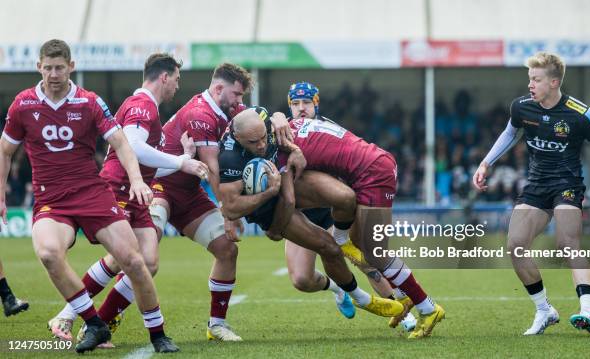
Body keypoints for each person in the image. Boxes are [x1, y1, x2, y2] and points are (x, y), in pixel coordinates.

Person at [0, 39, 178, 353]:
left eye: (60, 67)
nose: (54, 74)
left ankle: (159, 335)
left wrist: (137, 180)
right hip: (50, 200)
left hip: (92, 193)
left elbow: (122, 143)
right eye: (48, 67)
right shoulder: (23, 104)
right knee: (48, 254)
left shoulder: (89, 101)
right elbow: (5, 151)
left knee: (135, 262)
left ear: (71, 67)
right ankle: (95, 324)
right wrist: (1, 194)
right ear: (38, 67)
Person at [47, 53, 206, 347]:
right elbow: (132, 148)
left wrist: (182, 159)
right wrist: (181, 163)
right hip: (119, 188)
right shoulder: (142, 105)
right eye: (177, 80)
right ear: (164, 77)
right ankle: (70, 317)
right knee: (126, 259)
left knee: (147, 262)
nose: (177, 87)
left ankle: (88, 322)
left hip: (136, 190)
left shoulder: (146, 108)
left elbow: (147, 162)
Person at [274, 105, 444, 339]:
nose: (300, 107)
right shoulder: (293, 126)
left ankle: (428, 308)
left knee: (375, 252)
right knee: (361, 246)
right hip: (369, 169)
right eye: (295, 102)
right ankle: (405, 298)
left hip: (372, 173)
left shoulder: (280, 149)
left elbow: (291, 193)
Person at [218, 107, 404, 321]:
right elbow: (231, 208)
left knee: (346, 197)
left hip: (287, 179)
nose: (261, 145)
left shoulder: (264, 120)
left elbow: (276, 116)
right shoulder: (229, 159)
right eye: (253, 142)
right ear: (237, 136)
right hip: (264, 206)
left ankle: (345, 242)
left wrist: (288, 138)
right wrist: (270, 194)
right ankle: (360, 298)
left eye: (263, 138)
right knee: (327, 251)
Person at [473, 51, 590, 336]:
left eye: (536, 79)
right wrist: (486, 162)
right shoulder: (522, 107)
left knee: (567, 242)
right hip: (536, 187)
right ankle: (545, 310)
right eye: (530, 79)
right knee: (515, 246)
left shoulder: (583, 115)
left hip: (567, 185)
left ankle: (587, 312)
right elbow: (510, 134)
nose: (530, 85)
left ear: (554, 82)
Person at [283, 82, 417, 329]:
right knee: (301, 279)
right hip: (302, 213)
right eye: (295, 104)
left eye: (306, 103)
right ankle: (339, 290)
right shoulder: (283, 132)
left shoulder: (330, 129)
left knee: (368, 260)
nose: (301, 108)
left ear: (316, 103)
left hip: (336, 211)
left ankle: (404, 312)